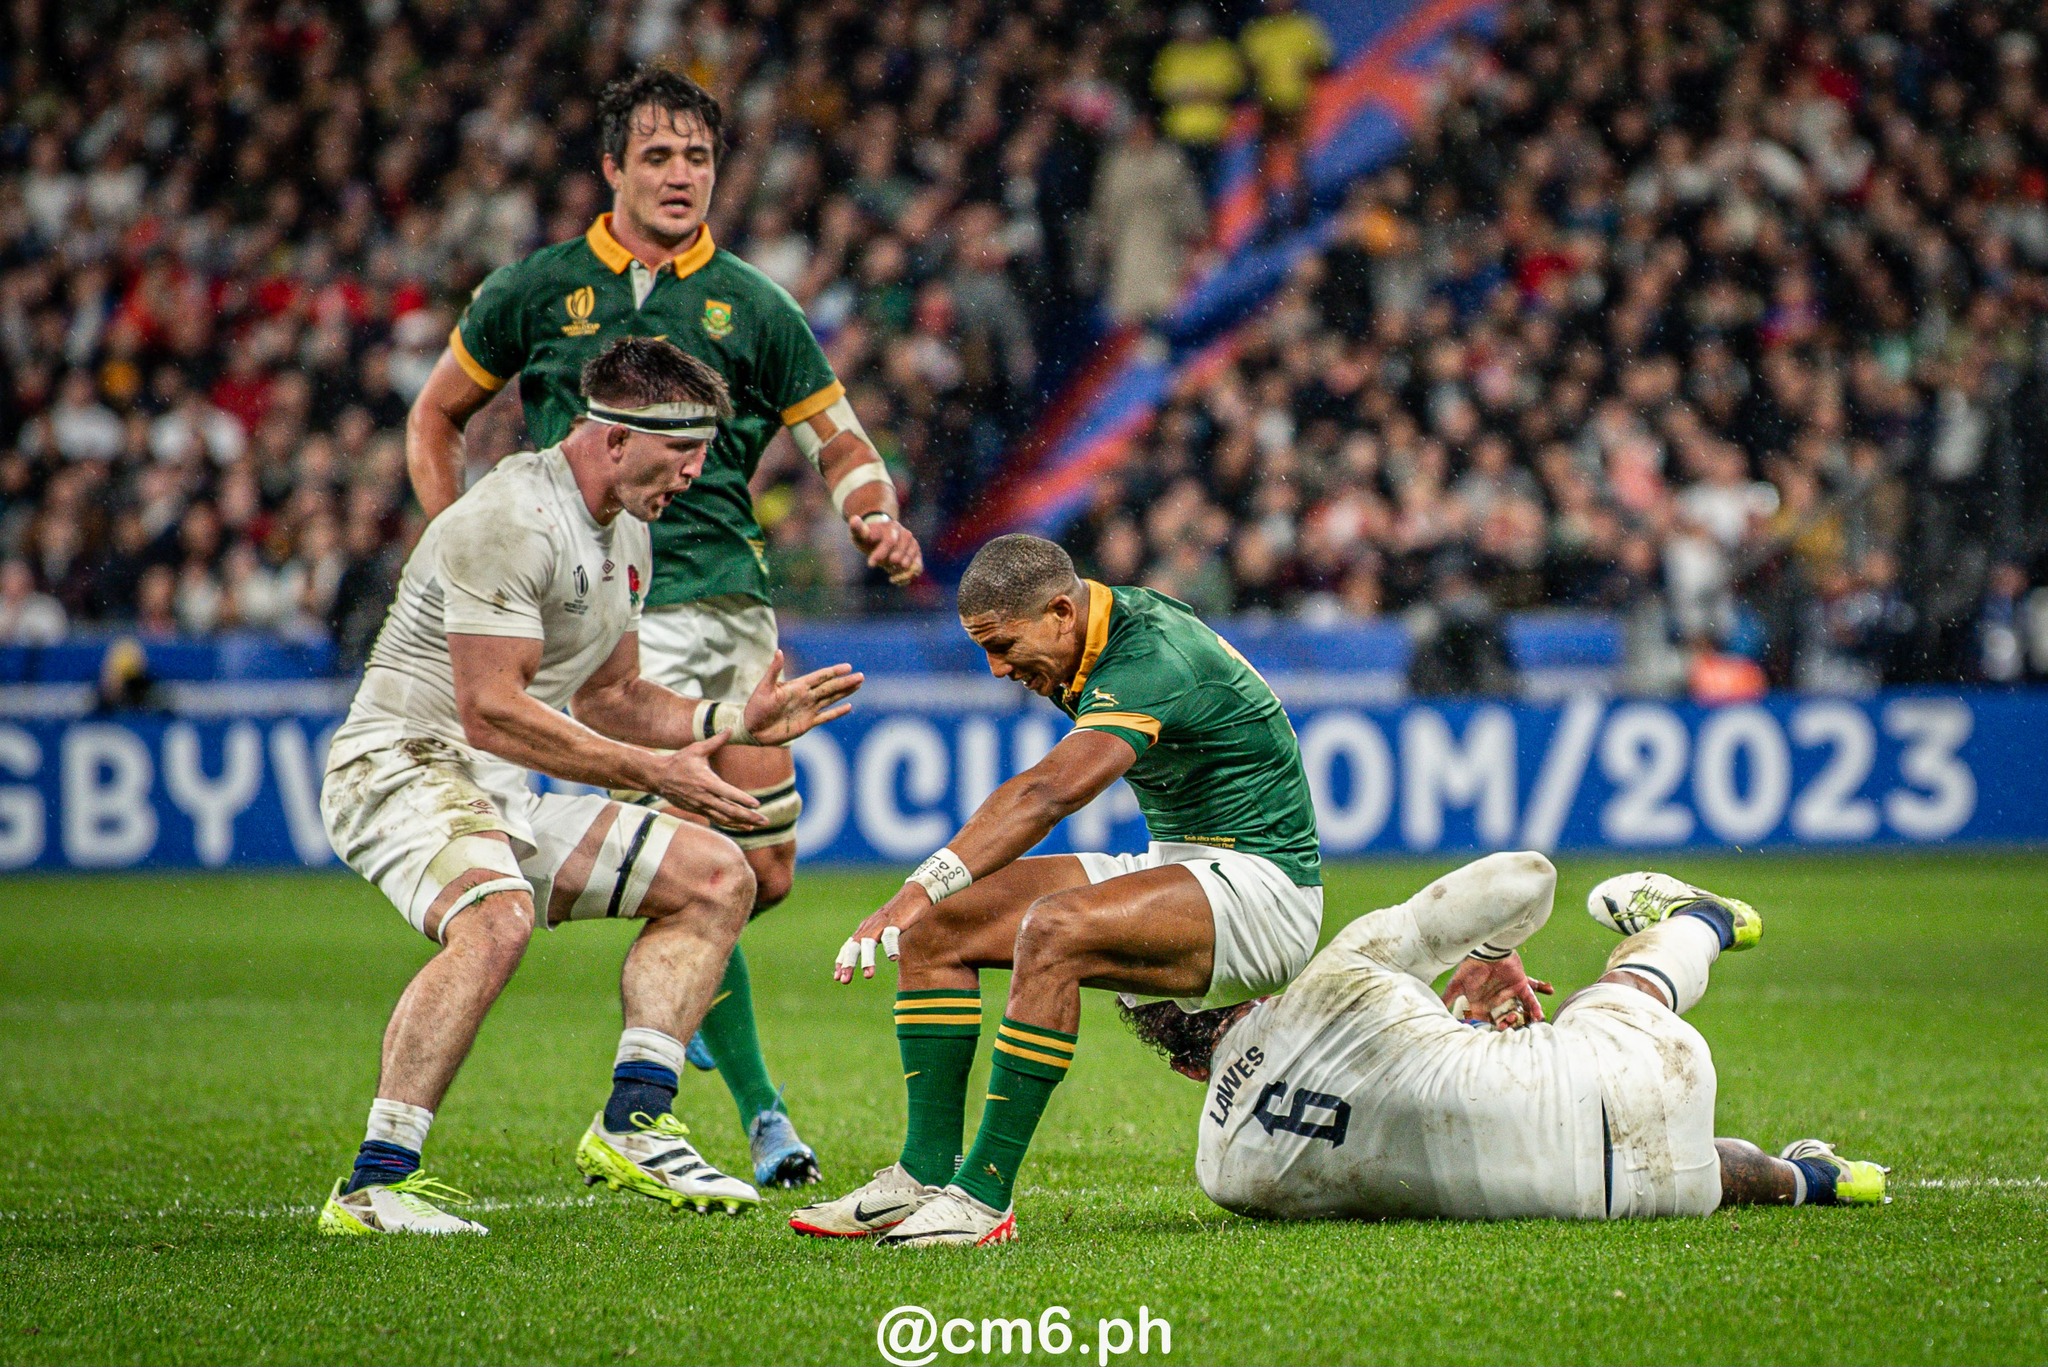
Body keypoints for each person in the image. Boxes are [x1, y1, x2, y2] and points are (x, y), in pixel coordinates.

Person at [404, 65, 924, 1189]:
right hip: (604, 619)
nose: (680, 175)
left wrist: (870, 510)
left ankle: (682, 998)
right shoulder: (535, 290)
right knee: (708, 868)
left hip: (729, 598)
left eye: (696, 157)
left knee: (768, 867)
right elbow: (437, 412)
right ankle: (737, 1109)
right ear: (611, 169)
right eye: (656, 156)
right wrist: (463, 544)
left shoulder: (753, 301)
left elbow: (837, 437)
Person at [318, 339, 863, 1235]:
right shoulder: (510, 519)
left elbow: (615, 697)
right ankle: (375, 1181)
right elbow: (490, 712)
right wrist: (653, 772)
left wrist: (731, 722)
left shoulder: (626, 528)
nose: (697, 473)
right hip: (401, 764)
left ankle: (637, 1121)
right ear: (613, 438)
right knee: (495, 917)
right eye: (682, 453)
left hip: (497, 789)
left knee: (720, 876)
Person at [790, 533, 1323, 1247]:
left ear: (1062, 612)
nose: (997, 667)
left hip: (1266, 890)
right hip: (1184, 864)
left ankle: (982, 1199)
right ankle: (922, 1174)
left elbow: (1048, 792)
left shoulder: (1148, 652)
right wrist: (928, 898)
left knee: (1051, 928)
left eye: (1005, 645)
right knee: (936, 926)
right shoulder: (1091, 638)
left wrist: (921, 880)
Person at [1122, 853, 1889, 1221]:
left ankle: (1814, 1181)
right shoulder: (1333, 976)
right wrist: (1486, 957)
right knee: (1621, 996)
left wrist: (1459, 1034)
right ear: (1243, 966)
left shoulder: (1221, 1169)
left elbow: (1376, 1122)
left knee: (1632, 1153)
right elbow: (1527, 876)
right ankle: (1704, 919)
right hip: (1647, 1065)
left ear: (1189, 1066)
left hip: (1639, 1193)